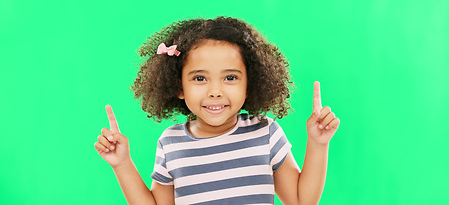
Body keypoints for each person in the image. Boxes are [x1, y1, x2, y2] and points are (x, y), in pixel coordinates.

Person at [94, 16, 340, 205]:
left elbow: (301, 200)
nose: (215, 91)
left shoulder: (265, 133)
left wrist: (318, 143)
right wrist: (122, 164)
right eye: (200, 78)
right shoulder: (171, 143)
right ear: (178, 86)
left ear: (249, 85)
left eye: (230, 78)